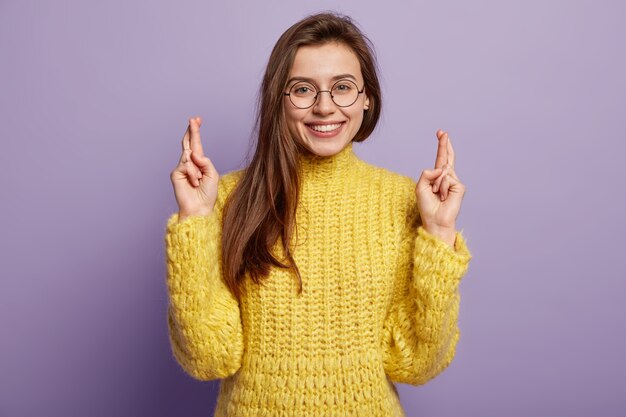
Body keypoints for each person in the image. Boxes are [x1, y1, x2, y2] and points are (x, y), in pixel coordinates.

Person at [165, 12, 472, 417]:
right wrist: (194, 220)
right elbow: (208, 358)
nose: (325, 107)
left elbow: (416, 362)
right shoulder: (224, 198)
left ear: (367, 98)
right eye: (303, 89)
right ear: (279, 98)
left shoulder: (403, 201)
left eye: (342, 87)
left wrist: (439, 232)